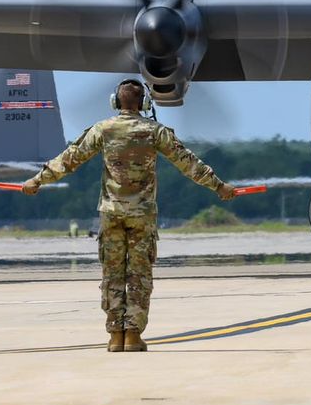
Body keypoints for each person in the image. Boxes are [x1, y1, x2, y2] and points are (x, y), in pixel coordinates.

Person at [22, 79, 238, 352]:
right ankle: (133, 335)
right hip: (142, 215)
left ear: (116, 101)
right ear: (144, 104)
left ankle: (115, 336)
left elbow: (71, 158)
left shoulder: (104, 129)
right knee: (138, 275)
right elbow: (188, 163)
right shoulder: (155, 131)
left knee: (112, 274)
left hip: (111, 213)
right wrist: (219, 186)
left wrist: (37, 180)